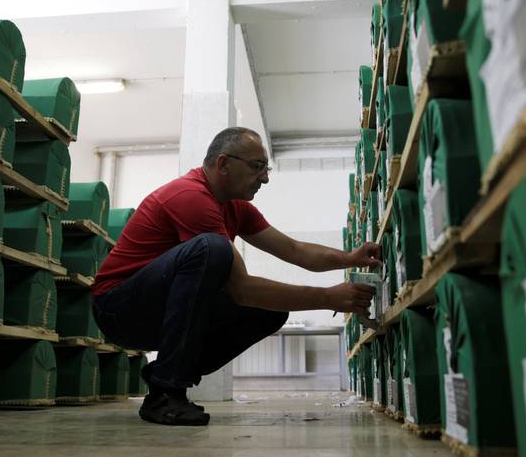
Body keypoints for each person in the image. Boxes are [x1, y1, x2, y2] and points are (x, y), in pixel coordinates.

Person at [92, 127, 381, 426]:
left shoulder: (236, 208)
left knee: (269, 312)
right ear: (223, 164)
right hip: (117, 309)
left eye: (265, 169)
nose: (265, 178)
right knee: (213, 249)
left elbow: (295, 250)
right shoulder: (190, 197)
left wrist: (350, 258)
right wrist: (327, 297)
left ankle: (165, 376)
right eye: (257, 167)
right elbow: (242, 289)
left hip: (156, 308)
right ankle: (167, 390)